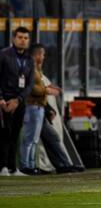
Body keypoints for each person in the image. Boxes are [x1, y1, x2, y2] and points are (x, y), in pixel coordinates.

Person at [20, 43, 61, 175]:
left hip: (38, 107)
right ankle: (25, 166)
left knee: (34, 140)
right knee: (28, 139)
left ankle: (31, 166)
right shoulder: (28, 68)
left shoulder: (37, 70)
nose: (43, 57)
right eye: (42, 54)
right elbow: (31, 88)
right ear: (36, 55)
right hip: (31, 107)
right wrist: (47, 90)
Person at [0, 27, 34, 176]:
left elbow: (30, 84)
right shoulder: (4, 55)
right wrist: (1, 98)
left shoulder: (29, 59)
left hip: (19, 102)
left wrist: (19, 100)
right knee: (4, 134)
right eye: (20, 37)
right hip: (4, 101)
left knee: (15, 134)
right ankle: (2, 167)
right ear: (14, 38)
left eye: (26, 38)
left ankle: (13, 168)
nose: (23, 40)